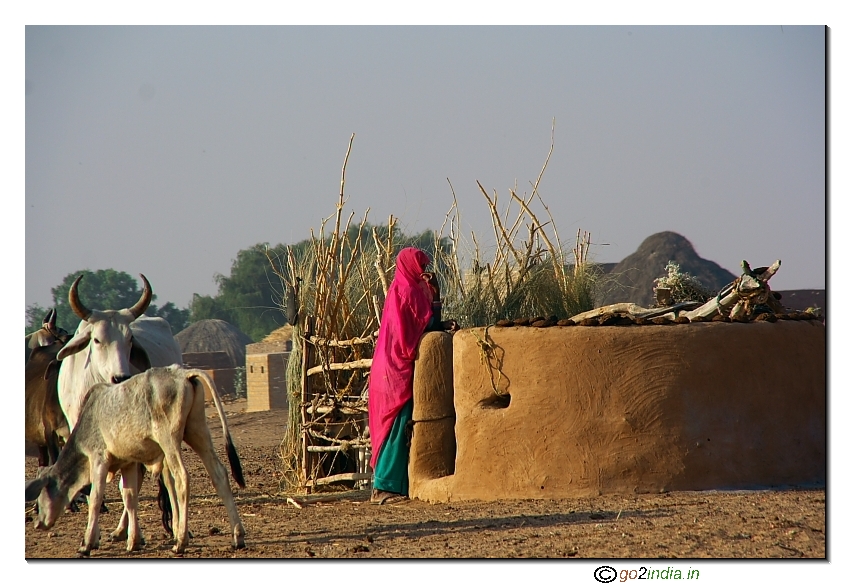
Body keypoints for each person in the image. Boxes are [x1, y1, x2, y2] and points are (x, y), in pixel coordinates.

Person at [368, 247, 457, 505]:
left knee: (398, 424)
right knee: (393, 427)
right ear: (410, 267)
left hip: (392, 367)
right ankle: (384, 488)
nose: (424, 272)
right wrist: (437, 309)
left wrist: (436, 299)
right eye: (421, 266)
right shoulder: (405, 292)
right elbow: (424, 326)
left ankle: (395, 486)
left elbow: (429, 322)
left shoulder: (409, 289)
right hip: (394, 369)